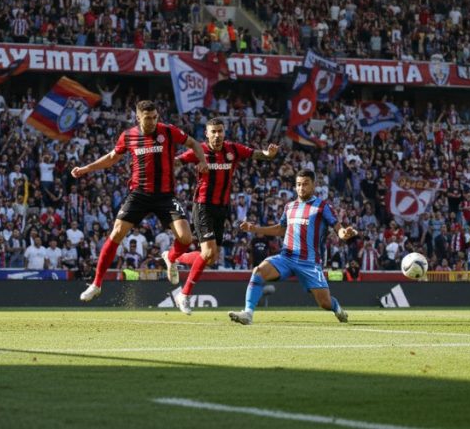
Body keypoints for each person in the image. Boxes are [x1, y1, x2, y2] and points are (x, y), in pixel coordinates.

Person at [71, 100, 208, 302]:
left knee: (186, 238)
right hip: (139, 194)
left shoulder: (168, 131)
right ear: (138, 118)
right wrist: (86, 169)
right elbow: (112, 157)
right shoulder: (128, 136)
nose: (152, 121)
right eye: (147, 118)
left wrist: (202, 161)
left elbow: (194, 143)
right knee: (117, 233)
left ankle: (170, 258)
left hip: (165, 196)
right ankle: (96, 284)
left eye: (154, 117)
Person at [174, 117, 279, 314]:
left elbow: (257, 154)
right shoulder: (200, 150)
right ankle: (184, 294)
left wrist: (268, 154)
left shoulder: (233, 149)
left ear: (224, 132)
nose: (217, 135)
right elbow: (178, 161)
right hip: (203, 206)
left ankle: (175, 257)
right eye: (213, 132)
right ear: (207, 134)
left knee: (211, 258)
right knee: (207, 253)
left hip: (222, 208)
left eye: (220, 131)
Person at [228, 169, 358, 325]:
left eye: (305, 184)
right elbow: (280, 229)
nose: (301, 188)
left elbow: (338, 229)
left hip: (309, 263)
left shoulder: (322, 207)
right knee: (259, 271)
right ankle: (248, 313)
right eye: (298, 184)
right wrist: (255, 229)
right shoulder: (289, 207)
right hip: (286, 258)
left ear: (314, 185)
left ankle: (336, 308)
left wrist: (344, 234)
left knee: (324, 303)